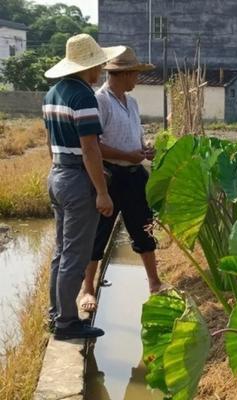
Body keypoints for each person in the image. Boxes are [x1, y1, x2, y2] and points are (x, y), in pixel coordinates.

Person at [43, 34, 126, 340]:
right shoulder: (83, 97)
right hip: (78, 180)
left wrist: (59, 170)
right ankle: (66, 323)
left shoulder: (52, 93)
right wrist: (102, 191)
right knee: (75, 256)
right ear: (88, 67)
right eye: (99, 64)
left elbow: (50, 143)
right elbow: (90, 149)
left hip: (58, 175)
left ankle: (55, 315)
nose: (102, 69)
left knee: (60, 252)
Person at [79, 47, 164, 313]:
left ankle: (154, 282)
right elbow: (94, 146)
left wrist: (144, 149)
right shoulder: (99, 100)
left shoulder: (132, 102)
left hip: (134, 176)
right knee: (99, 234)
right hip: (109, 176)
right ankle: (87, 288)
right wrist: (127, 154)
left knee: (144, 229)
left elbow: (135, 137)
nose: (137, 78)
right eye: (135, 73)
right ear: (123, 74)